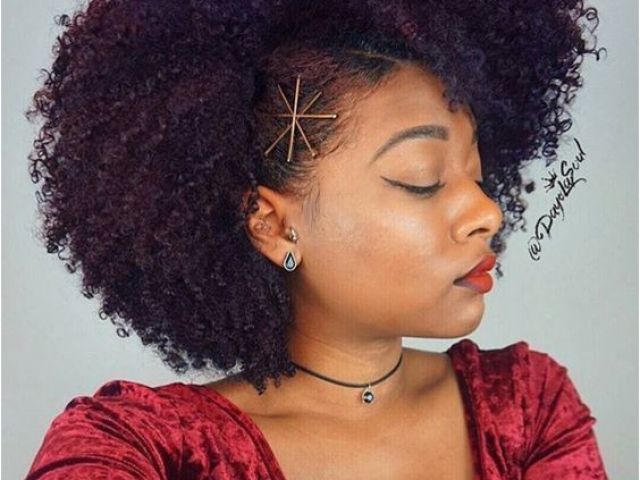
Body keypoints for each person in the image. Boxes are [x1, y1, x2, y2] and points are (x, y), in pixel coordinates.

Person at [24, 0, 608, 478]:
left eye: (476, 175)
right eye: (422, 179)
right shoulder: (144, 449)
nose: (487, 213)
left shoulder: (527, 409)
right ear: (273, 225)